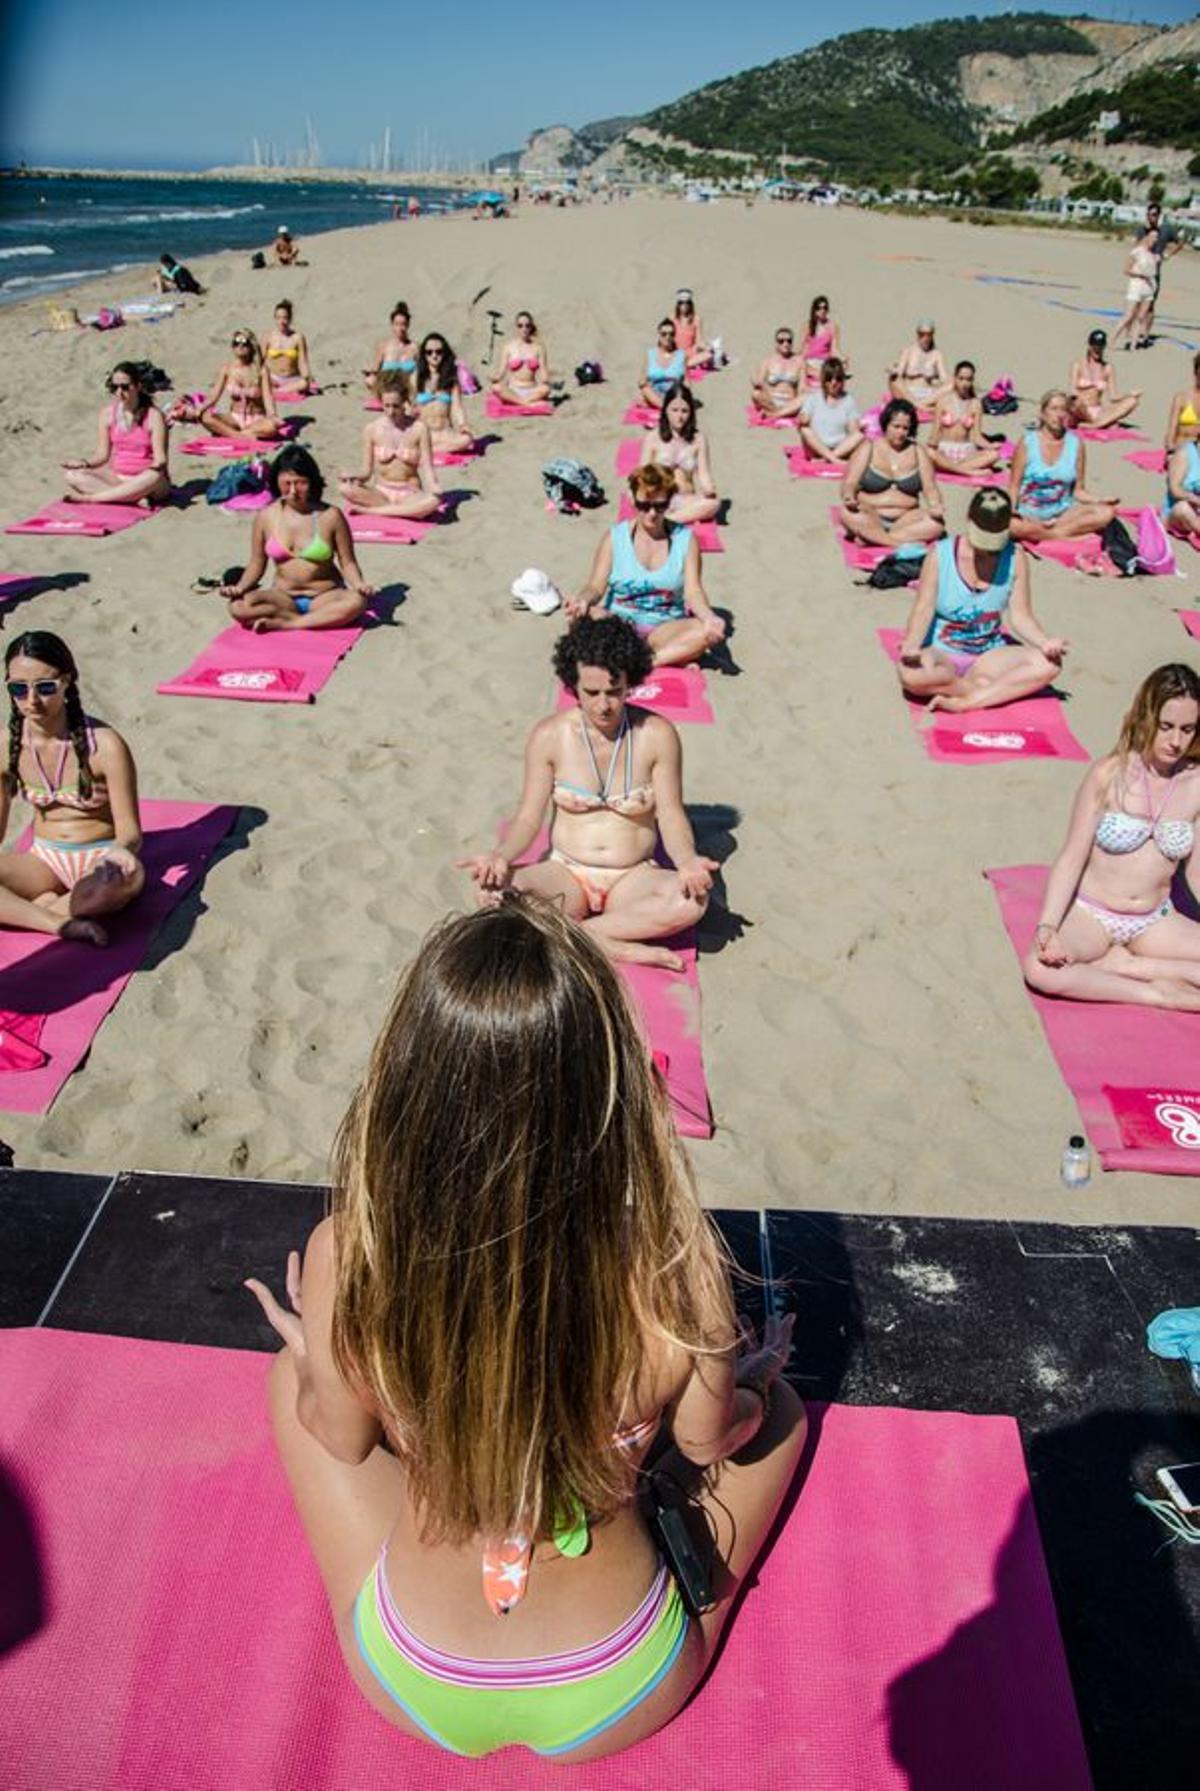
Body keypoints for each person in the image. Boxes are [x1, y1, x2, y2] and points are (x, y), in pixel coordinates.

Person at [246, 897, 805, 1762]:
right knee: (789, 1415)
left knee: (295, 1380)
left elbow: (346, 1439)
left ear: (409, 1085)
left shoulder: (352, 1250)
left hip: (414, 1671)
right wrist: (755, 1380)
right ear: (607, 1085)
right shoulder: (673, 1262)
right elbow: (705, 1444)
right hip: (621, 1681)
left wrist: (320, 1354)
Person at [461, 619, 721, 968]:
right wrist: (501, 855)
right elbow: (527, 817)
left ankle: (579, 937)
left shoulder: (657, 735)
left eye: (614, 692)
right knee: (491, 893)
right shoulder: (550, 736)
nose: (603, 705)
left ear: (631, 682)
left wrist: (687, 861)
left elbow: (672, 815)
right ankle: (614, 944)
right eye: (591, 693)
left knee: (693, 902)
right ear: (573, 686)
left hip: (632, 875)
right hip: (566, 872)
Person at [1024, 663, 1200, 1010]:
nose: (1176, 741)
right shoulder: (1109, 773)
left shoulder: (1197, 784)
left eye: (1187, 729)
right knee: (1040, 969)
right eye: (1166, 727)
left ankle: (1132, 967)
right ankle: (1155, 993)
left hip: (1155, 920)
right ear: (1147, 718)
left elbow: (1196, 875)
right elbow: (1072, 857)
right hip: (1093, 915)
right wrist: (1048, 925)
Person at [0, 630, 144, 947]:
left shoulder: (105, 745)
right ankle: (57, 921)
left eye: (46, 687)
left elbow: (130, 832)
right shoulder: (5, 746)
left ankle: (38, 909)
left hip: (100, 860)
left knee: (119, 883)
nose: (32, 700)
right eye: (19, 689)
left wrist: (119, 854)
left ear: (67, 681)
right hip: (44, 862)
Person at [895, 488, 1067, 712]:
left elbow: (1021, 615)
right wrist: (912, 643)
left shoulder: (1016, 557)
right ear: (969, 520)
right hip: (942, 651)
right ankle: (984, 690)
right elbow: (923, 609)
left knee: (1049, 665)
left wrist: (1045, 642)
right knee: (911, 675)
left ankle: (968, 701)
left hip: (988, 654)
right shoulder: (940, 554)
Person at [566, 464, 725, 669]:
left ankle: (640, 661)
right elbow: (595, 587)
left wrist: (709, 617)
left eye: (660, 506)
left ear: (670, 502)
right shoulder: (615, 538)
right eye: (644, 505)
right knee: (586, 617)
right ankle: (662, 658)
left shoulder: (685, 540)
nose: (651, 513)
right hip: (619, 624)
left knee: (702, 631)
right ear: (632, 499)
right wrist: (582, 600)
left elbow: (693, 591)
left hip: (664, 628)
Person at [219, 445, 375, 631]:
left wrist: (359, 584)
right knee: (238, 607)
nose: (293, 491)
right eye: (287, 483)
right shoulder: (266, 517)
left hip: (324, 596)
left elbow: (347, 562)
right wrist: (240, 587)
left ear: (312, 482)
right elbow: (256, 563)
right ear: (276, 481)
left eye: (300, 483)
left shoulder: (330, 516)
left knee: (357, 602)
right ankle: (303, 619)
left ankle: (289, 623)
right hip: (283, 596)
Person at [1009, 390, 1118, 543]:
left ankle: (1049, 534)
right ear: (1043, 413)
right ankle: (1059, 535)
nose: (1059, 415)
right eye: (1054, 409)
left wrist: (1099, 500)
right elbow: (1014, 486)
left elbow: (1078, 491)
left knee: (1106, 513)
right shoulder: (1027, 442)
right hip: (1029, 514)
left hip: (1063, 514)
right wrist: (1012, 510)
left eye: (1063, 410)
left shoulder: (1076, 444)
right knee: (1009, 525)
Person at [839, 398, 945, 548]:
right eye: (896, 426)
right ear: (886, 425)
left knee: (937, 525)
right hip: (872, 515)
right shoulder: (869, 447)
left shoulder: (917, 451)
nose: (900, 432)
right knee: (846, 513)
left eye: (905, 428)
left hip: (906, 519)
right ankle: (897, 543)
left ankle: (875, 538)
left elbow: (930, 488)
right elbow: (850, 482)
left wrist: (935, 505)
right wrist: (849, 496)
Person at [62, 363, 170, 506]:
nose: (119, 392)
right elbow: (102, 455)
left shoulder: (153, 415)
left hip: (148, 481)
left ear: (138, 386)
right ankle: (131, 498)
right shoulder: (107, 414)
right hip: (118, 478)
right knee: (72, 475)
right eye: (114, 387)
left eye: (125, 387)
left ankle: (93, 498)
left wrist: (154, 467)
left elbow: (160, 459)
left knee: (154, 475)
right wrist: (83, 463)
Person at [337, 375, 441, 520]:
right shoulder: (371, 429)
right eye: (387, 406)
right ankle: (399, 511)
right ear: (381, 403)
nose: (391, 411)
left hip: (410, 493)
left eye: (396, 406)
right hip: (381, 493)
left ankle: (375, 511)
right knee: (344, 488)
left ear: (404, 402)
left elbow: (428, 468)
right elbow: (366, 472)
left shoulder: (419, 429)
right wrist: (354, 476)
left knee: (433, 501)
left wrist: (434, 486)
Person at [170, 329, 285, 440]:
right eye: (236, 343)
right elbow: (213, 397)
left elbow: (268, 397)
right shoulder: (227, 369)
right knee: (206, 417)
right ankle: (239, 436)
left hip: (257, 419)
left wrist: (272, 415)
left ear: (251, 347)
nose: (240, 346)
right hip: (234, 418)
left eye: (244, 343)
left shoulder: (261, 370)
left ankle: (237, 434)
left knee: (272, 427)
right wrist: (200, 410)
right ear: (232, 347)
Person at [643, 382, 719, 523]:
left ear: (691, 413)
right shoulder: (653, 438)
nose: (680, 416)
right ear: (666, 410)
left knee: (713, 504)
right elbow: (642, 473)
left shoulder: (699, 439)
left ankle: (667, 520)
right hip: (659, 497)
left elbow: (704, 474)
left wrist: (709, 487)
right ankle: (671, 516)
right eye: (675, 410)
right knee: (632, 495)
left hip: (686, 499)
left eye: (684, 411)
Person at [927, 361, 1005, 476]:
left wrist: (990, 445)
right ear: (954, 378)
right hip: (945, 449)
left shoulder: (975, 404)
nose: (964, 383)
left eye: (968, 380)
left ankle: (952, 469)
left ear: (972, 381)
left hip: (966, 453)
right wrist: (931, 445)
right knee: (929, 453)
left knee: (994, 455)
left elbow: (976, 436)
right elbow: (935, 431)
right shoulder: (943, 401)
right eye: (961, 378)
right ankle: (968, 472)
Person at [413, 333, 474, 453]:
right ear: (424, 355)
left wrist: (462, 424)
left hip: (445, 432)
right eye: (429, 352)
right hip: (425, 432)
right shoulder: (416, 377)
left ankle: (428, 451)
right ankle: (432, 449)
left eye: (438, 351)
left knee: (467, 440)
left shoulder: (451, 379)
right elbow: (407, 403)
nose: (434, 355)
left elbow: (457, 407)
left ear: (444, 353)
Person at [1067, 329, 1140, 430]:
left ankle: (1094, 425)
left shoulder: (1108, 368)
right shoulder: (1078, 365)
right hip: (1080, 409)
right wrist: (1075, 398)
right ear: (1089, 346)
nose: (1098, 350)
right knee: (1076, 403)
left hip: (1097, 410)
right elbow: (1072, 389)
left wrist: (1130, 394)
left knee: (1132, 401)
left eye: (1100, 347)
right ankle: (1099, 424)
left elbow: (1113, 396)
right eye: (1095, 346)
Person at [798, 357, 863, 463]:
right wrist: (802, 419)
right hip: (816, 447)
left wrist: (856, 426)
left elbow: (853, 431)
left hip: (840, 448)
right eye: (829, 378)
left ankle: (827, 458)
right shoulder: (813, 398)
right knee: (805, 431)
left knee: (859, 436)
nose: (833, 382)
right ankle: (832, 459)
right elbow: (804, 418)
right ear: (824, 380)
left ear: (842, 380)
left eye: (838, 378)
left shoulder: (848, 400)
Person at [1110, 227, 1158, 352]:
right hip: (1137, 285)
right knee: (1129, 315)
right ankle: (1112, 340)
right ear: (1146, 237)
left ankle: (1133, 344)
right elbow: (1126, 269)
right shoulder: (1137, 252)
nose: (1154, 240)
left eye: (1156, 237)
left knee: (1141, 317)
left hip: (1149, 288)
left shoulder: (1153, 255)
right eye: (1152, 237)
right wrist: (1140, 274)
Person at [490, 311, 552, 407]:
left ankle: (520, 402)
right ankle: (526, 404)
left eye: (527, 326)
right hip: (513, 389)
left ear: (531, 327)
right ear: (516, 327)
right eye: (520, 325)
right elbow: (501, 372)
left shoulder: (539, 348)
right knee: (496, 387)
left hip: (532, 389)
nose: (524, 329)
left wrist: (546, 378)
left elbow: (544, 371)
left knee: (546, 389)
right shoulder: (508, 347)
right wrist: (494, 377)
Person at [1142, 200, 1183, 343]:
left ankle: (1146, 334)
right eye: (1148, 215)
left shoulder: (1166, 229)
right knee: (1135, 304)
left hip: (1154, 273)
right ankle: (1134, 333)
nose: (1150, 218)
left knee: (1150, 305)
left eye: (1153, 215)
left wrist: (1167, 255)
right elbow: (1136, 247)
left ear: (1159, 215)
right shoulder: (1142, 229)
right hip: (1140, 271)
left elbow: (1179, 243)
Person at [750, 326, 806, 420]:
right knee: (756, 394)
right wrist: (754, 381)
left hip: (790, 401)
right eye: (781, 341)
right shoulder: (768, 362)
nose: (786, 344)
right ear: (776, 344)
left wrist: (800, 398)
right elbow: (758, 381)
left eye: (789, 341)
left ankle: (774, 414)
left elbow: (802, 387)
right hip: (772, 400)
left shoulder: (799, 361)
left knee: (806, 397)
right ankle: (780, 413)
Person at [888, 320, 947, 409]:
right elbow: (899, 373)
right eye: (922, 334)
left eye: (928, 334)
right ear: (917, 334)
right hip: (909, 392)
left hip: (929, 394)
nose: (925, 338)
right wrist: (893, 370)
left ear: (932, 335)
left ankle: (918, 404)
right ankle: (920, 406)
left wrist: (933, 379)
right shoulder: (908, 351)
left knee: (954, 381)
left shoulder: (937, 354)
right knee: (893, 380)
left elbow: (944, 378)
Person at [364, 302, 417, 394]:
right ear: (392, 325)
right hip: (387, 386)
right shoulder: (384, 346)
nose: (400, 328)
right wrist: (370, 373)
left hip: (408, 388)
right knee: (370, 380)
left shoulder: (415, 347)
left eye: (403, 324)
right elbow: (376, 369)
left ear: (408, 325)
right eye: (397, 324)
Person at [263, 299, 313, 392]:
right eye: (278, 318)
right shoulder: (268, 337)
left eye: (285, 318)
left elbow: (303, 361)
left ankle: (278, 391)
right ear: (275, 318)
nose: (282, 321)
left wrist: (306, 375)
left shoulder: (298, 338)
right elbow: (260, 361)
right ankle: (280, 390)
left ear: (290, 319)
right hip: (273, 377)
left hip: (292, 378)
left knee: (304, 384)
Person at [639, 320, 686, 412]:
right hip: (655, 393)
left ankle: (665, 408)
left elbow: (687, 381)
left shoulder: (681, 355)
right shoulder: (650, 354)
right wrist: (644, 384)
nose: (667, 337)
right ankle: (667, 408)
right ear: (659, 336)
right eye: (664, 334)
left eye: (671, 334)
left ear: (674, 336)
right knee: (645, 389)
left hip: (673, 392)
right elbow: (641, 380)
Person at [801, 295, 846, 387]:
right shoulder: (807, 326)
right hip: (810, 362)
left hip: (824, 363)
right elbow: (804, 348)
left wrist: (843, 358)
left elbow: (834, 349)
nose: (822, 310)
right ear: (814, 310)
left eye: (825, 308)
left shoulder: (832, 326)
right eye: (819, 308)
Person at [1164, 350, 1200, 454]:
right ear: (1195, 372)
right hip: (1180, 448)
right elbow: (1170, 433)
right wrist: (1171, 447)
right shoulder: (1181, 398)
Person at [1164, 435, 1200, 538]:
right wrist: (1195, 499)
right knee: (1183, 509)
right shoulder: (1184, 454)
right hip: (1181, 507)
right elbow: (1175, 489)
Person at [672, 288, 711, 369]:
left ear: (691, 305)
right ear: (678, 305)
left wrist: (707, 347)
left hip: (690, 352)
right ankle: (685, 364)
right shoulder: (672, 319)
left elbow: (699, 340)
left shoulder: (696, 319)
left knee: (709, 355)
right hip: (676, 352)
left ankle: (684, 365)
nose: (685, 306)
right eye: (682, 303)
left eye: (687, 303)